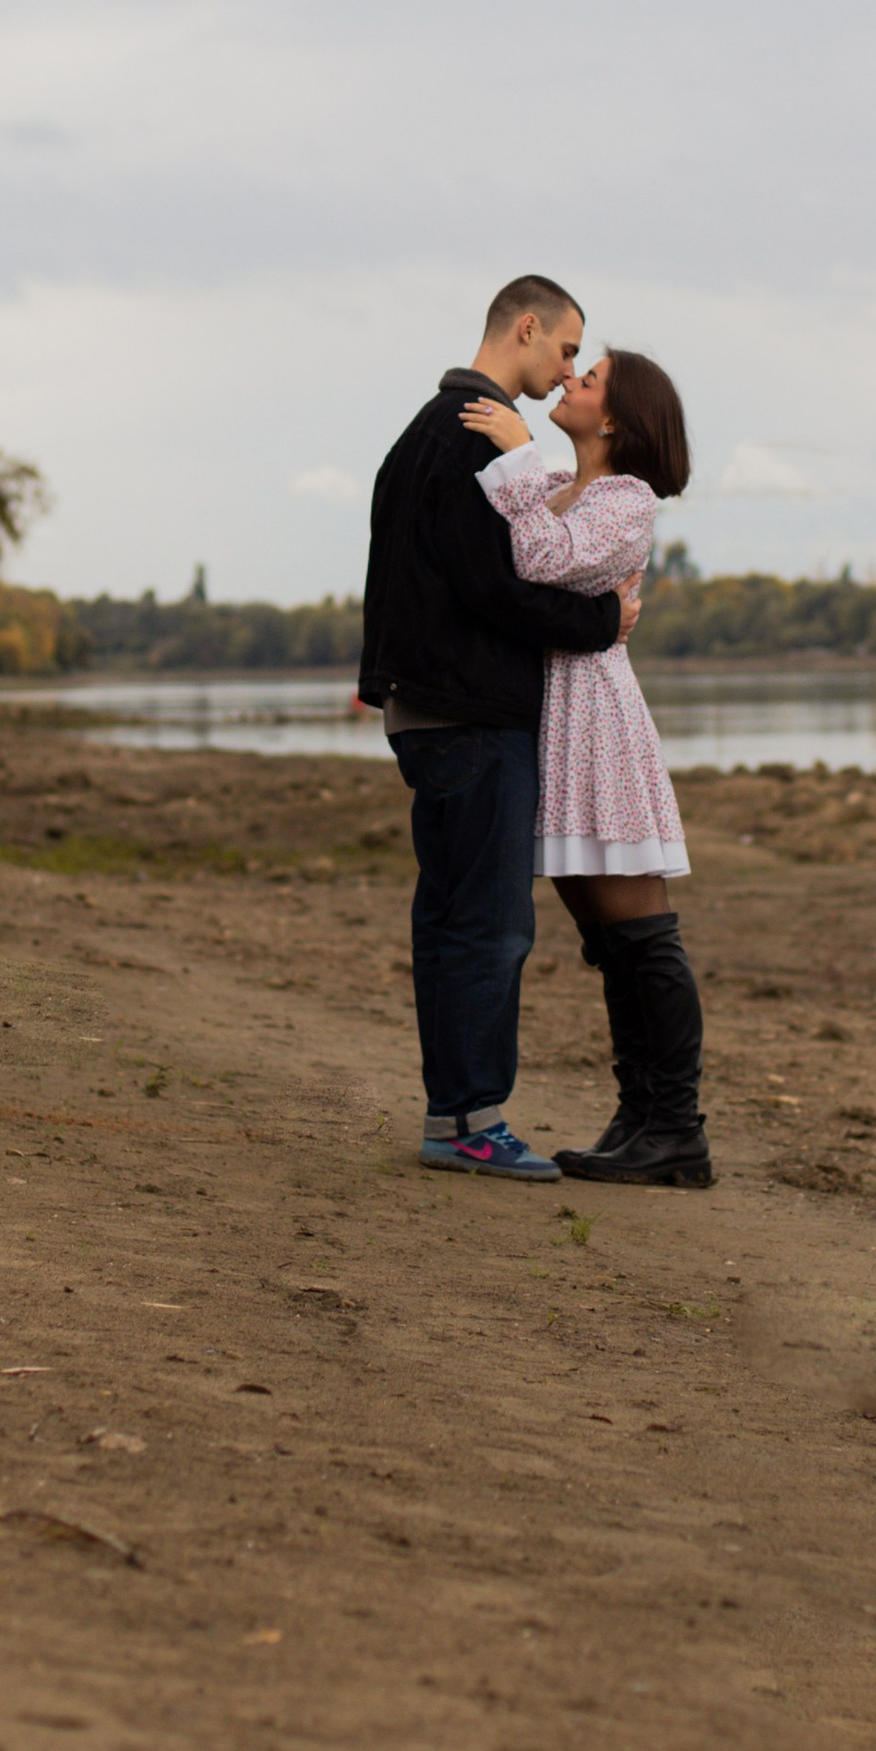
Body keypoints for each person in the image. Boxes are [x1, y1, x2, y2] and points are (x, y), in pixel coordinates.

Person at [358, 276, 638, 1179]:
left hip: (426, 709)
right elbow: (501, 591)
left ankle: (454, 1115)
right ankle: (471, 1120)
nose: (565, 378)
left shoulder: (425, 430)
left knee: (447, 918)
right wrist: (603, 624)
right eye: (565, 352)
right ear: (526, 327)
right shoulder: (475, 435)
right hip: (471, 714)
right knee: (486, 923)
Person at [457, 348, 710, 1188]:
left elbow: (536, 562)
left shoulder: (625, 501)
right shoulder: (568, 487)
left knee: (641, 934)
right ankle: (640, 1117)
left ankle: (677, 1128)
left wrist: (518, 454)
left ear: (617, 421)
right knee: (609, 939)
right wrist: (530, 469)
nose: (570, 380)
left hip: (594, 725)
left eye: (590, 378)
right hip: (549, 722)